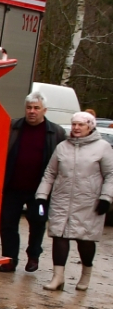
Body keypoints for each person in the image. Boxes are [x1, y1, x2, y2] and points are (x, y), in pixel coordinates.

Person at [35, 111, 113, 291]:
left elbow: (110, 175)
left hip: (88, 202)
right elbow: (50, 173)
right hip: (62, 200)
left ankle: (86, 273)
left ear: (90, 127)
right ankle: (58, 277)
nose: (76, 128)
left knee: (85, 240)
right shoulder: (62, 147)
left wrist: (106, 198)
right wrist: (41, 196)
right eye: (74, 124)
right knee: (59, 236)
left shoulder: (102, 147)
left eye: (81, 125)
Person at [0, 91, 66, 272]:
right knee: (7, 224)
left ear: (44, 110)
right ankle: (9, 259)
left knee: (38, 222)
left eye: (36, 108)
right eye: (29, 108)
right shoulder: (13, 127)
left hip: (40, 191)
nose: (32, 111)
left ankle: (33, 256)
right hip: (12, 187)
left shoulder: (56, 132)